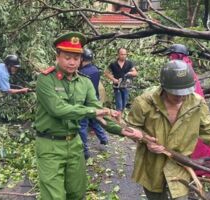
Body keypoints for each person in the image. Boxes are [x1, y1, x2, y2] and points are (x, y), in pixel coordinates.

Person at [34, 32, 145, 200]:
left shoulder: (84, 82)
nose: (72, 62)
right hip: (50, 145)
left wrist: (123, 131)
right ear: (57, 56)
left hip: (74, 144)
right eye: (67, 57)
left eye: (76, 58)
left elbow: (98, 110)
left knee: (77, 193)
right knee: (53, 196)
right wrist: (93, 112)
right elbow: (58, 109)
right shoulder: (45, 80)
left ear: (81, 59)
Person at [127, 60, 210, 200]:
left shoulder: (197, 103)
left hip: (181, 165)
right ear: (164, 87)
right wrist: (145, 139)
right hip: (151, 165)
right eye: (175, 93)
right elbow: (130, 127)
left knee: (180, 196)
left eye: (185, 92)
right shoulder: (144, 102)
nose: (181, 97)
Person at [166, 43, 210, 177]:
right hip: (194, 107)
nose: (170, 58)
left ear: (177, 55)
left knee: (192, 138)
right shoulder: (186, 66)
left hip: (190, 108)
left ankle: (194, 168)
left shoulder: (182, 70)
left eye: (172, 56)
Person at [78, 48, 108, 159]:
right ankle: (104, 139)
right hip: (94, 99)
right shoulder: (95, 69)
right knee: (95, 120)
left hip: (85, 100)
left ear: (82, 59)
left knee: (82, 125)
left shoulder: (82, 72)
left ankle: (85, 151)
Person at [104, 47, 138, 122]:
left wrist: (130, 73)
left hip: (126, 86)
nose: (123, 56)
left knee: (124, 102)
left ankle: (119, 117)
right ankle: (119, 121)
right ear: (118, 54)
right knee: (119, 103)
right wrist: (113, 79)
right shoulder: (113, 64)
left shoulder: (129, 63)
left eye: (125, 54)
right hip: (117, 86)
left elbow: (136, 73)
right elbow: (106, 73)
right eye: (122, 54)